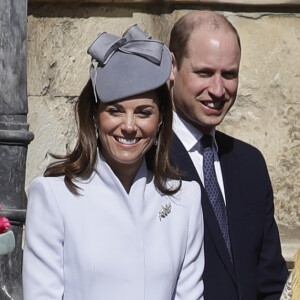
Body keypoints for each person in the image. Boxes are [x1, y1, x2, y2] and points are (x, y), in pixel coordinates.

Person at [22, 25, 204, 300]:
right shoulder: (54, 197)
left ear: (161, 120)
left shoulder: (185, 200)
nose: (129, 126)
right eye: (115, 111)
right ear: (94, 116)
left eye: (143, 113)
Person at [168, 10, 288, 300]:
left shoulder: (250, 164)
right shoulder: (145, 159)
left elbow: (270, 281)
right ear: (172, 67)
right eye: (205, 73)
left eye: (229, 74)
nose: (218, 89)